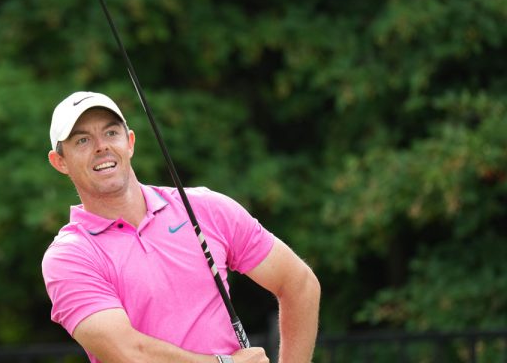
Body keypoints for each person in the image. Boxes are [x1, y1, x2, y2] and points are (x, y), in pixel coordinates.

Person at [41, 91, 320, 363]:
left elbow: (300, 283)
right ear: (60, 162)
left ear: (130, 142)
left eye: (111, 133)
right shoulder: (69, 256)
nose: (101, 146)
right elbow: (128, 353)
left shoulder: (205, 208)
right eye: (82, 140)